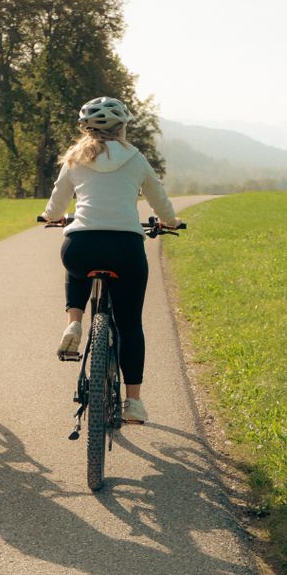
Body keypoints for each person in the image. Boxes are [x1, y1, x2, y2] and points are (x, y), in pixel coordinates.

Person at [42, 96, 180, 424]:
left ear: (85, 129)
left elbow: (57, 202)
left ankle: (73, 323)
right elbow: (159, 199)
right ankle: (133, 403)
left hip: (81, 245)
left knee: (76, 261)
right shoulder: (136, 158)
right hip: (126, 248)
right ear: (123, 127)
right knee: (130, 323)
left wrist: (51, 216)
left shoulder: (74, 159)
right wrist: (170, 222)